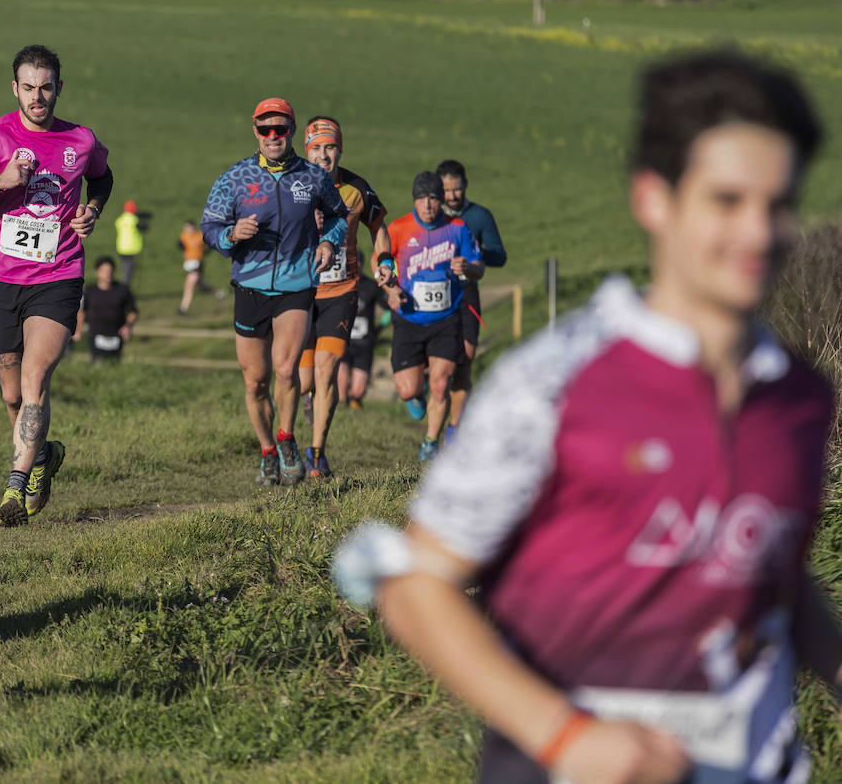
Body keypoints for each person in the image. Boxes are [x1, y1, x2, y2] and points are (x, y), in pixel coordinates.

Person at [334, 50, 836, 783]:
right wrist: (568, 737)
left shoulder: (800, 398)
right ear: (654, 200)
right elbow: (417, 590)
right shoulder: (554, 381)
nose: (759, 232)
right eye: (726, 202)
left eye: (779, 204)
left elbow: (772, 569)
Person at [0, 44, 113, 526]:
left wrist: (92, 210)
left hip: (58, 275)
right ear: (15, 87)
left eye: (47, 87)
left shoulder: (79, 140)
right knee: (12, 396)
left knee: (37, 377)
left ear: (59, 88)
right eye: (30, 87)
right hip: (2, 280)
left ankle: (14, 487)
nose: (39, 97)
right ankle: (41, 456)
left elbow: (103, 177)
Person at [200, 97, 348, 486]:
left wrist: (329, 242)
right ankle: (266, 449)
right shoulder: (234, 178)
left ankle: (286, 438)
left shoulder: (313, 177)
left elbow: (338, 216)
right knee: (255, 381)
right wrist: (232, 234)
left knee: (286, 369)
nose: (272, 136)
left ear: (291, 132)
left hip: (296, 284)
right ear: (255, 132)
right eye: (264, 129)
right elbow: (210, 227)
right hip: (250, 285)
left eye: (280, 129)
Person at [294, 117, 388, 479]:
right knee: (301, 380)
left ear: (340, 149)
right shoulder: (293, 185)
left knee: (327, 370)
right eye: (316, 148)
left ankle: (317, 452)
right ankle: (303, 404)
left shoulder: (357, 189)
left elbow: (378, 226)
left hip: (341, 292)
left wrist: (385, 260)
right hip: (299, 294)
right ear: (307, 151)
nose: (323, 155)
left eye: (330, 147)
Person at [383, 171, 484, 462]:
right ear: (414, 200)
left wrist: (468, 267)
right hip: (409, 318)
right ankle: (416, 393)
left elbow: (479, 267)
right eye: (421, 198)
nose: (427, 205)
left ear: (440, 200)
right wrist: (390, 290)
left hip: (446, 318)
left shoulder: (458, 228)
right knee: (407, 390)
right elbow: (383, 268)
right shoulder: (399, 229)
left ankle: (430, 443)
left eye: (433, 198)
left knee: (442, 384)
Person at [437, 159, 506, 444]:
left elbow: (499, 256)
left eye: (457, 189)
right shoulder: (430, 215)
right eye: (447, 190)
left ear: (465, 185)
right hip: (436, 295)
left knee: (465, 360)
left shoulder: (479, 216)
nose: (453, 195)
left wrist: (476, 255)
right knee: (439, 365)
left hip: (467, 293)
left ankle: (455, 429)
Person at [338, 274, 389, 410]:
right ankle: (341, 411)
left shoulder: (371, 286)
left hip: (364, 343)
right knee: (341, 387)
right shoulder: (339, 283)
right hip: (344, 341)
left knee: (358, 392)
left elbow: (389, 308)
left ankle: (354, 404)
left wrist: (380, 328)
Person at [74, 255, 138, 362]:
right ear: (97, 272)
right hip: (96, 334)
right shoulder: (90, 291)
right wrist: (78, 328)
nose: (108, 274)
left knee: (114, 365)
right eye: (104, 271)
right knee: (97, 364)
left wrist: (128, 326)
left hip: (117, 335)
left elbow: (133, 311)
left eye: (110, 271)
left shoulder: (123, 290)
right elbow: (82, 311)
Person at [177, 219, 214, 315]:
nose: (187, 230)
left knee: (190, 283)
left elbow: (210, 244)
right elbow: (181, 245)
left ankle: (183, 308)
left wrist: (205, 252)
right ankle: (218, 293)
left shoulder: (199, 236)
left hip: (198, 264)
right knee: (200, 286)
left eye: (189, 228)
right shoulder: (184, 236)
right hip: (188, 264)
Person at [114, 199, 144, 287]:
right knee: (129, 272)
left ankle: (125, 286)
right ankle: (125, 288)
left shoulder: (120, 220)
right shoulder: (135, 220)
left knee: (124, 269)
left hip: (122, 248)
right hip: (132, 249)